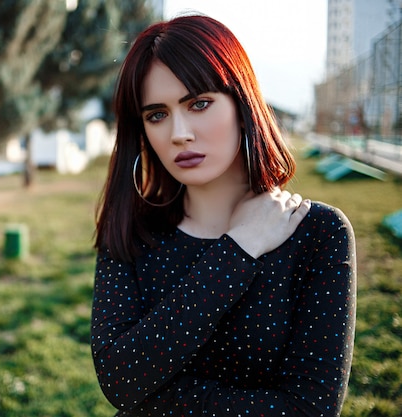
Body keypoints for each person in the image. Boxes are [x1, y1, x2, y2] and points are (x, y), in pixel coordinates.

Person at [91, 14, 356, 417]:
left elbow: (309, 409)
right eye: (156, 114)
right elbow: (120, 380)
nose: (179, 132)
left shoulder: (318, 233)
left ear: (242, 103)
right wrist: (239, 249)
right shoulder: (131, 232)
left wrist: (153, 401)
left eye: (199, 103)